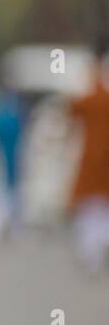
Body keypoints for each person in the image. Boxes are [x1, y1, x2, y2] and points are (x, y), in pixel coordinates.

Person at [67, 40, 109, 275]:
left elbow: (72, 109)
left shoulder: (93, 91)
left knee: (93, 210)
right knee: (96, 209)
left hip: (94, 158)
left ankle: (92, 252)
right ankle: (94, 251)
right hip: (98, 159)